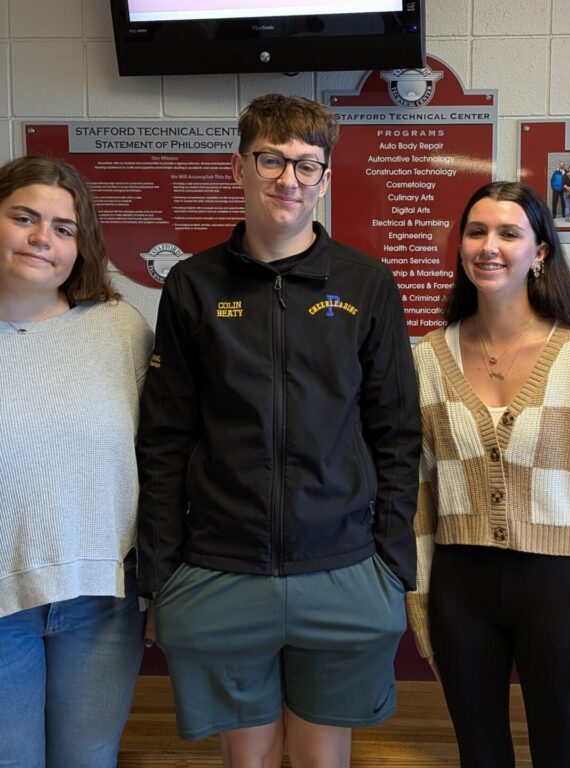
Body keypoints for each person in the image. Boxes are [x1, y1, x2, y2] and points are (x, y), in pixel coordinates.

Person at [136, 93, 421, 768]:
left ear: (325, 179)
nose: (287, 179)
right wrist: (161, 572)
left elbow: (397, 433)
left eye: (305, 164)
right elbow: (165, 437)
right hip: (220, 565)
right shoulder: (191, 285)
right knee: (250, 759)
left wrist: (392, 566)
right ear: (238, 167)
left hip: (343, 565)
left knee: (322, 760)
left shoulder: (367, 282)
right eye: (270, 159)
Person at [407, 181, 570, 768]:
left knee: (562, 758)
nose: (489, 246)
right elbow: (418, 495)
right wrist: (420, 604)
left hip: (560, 590)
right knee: (480, 758)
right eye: (476, 231)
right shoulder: (428, 358)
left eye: (509, 233)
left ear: (539, 252)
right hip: (461, 590)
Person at [0, 155, 153, 767]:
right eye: (24, 218)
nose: (44, 239)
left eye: (64, 228)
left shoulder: (121, 329)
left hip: (101, 598)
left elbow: (159, 460)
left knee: (88, 759)